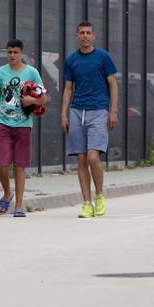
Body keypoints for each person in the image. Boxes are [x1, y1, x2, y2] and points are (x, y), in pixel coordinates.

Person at [61, 21, 118, 218]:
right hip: (77, 111)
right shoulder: (71, 60)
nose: (85, 36)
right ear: (77, 36)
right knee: (82, 158)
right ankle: (86, 203)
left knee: (94, 157)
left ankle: (99, 196)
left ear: (94, 36)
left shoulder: (103, 57)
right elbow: (68, 88)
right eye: (81, 33)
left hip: (99, 110)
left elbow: (113, 84)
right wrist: (64, 114)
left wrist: (113, 111)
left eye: (88, 33)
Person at [0, 40, 47, 217]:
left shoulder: (32, 72)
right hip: (3, 122)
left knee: (20, 165)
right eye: (10, 52)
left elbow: (44, 98)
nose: (12, 55)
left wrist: (32, 101)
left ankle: (19, 206)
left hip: (23, 124)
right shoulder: (0, 72)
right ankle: (7, 192)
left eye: (15, 52)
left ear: (21, 53)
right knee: (2, 163)